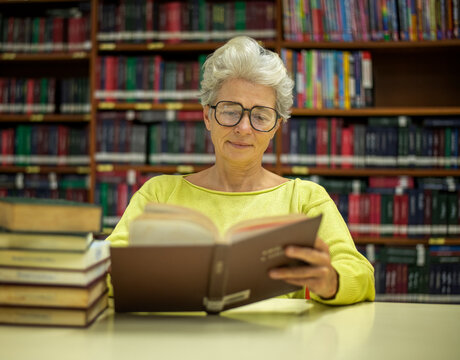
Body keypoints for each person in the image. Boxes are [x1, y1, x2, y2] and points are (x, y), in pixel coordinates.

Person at [107, 36, 375, 305]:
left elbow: (361, 275)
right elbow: (105, 269)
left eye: (260, 116)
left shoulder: (305, 199)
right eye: (230, 111)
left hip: (277, 345)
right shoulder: (159, 194)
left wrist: (330, 280)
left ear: (276, 127)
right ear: (207, 117)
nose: (244, 128)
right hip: (179, 338)